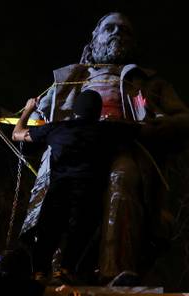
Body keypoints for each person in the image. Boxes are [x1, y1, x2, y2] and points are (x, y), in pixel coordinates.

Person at [0, 12, 189, 284]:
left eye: (124, 30)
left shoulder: (151, 82)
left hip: (123, 145)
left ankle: (116, 269)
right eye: (109, 28)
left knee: (124, 177)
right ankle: (52, 270)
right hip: (73, 148)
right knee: (60, 192)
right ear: (94, 39)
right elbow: (35, 122)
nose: (117, 33)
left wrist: (157, 126)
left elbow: (184, 121)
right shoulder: (68, 80)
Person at [12, 89, 139, 282]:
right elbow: (140, 129)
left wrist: (28, 110)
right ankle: (65, 270)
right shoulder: (109, 130)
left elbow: (17, 134)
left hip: (59, 191)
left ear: (75, 109)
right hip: (88, 194)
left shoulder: (57, 129)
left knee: (48, 232)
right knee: (81, 232)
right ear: (98, 111)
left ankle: (39, 273)